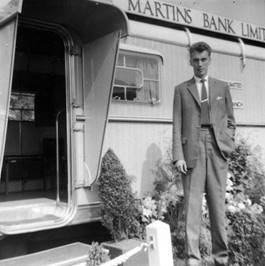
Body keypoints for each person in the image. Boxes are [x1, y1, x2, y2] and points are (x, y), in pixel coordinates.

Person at [172, 41, 236, 266]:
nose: (199, 64)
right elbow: (177, 123)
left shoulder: (221, 87)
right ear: (190, 61)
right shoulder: (181, 89)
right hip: (192, 148)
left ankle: (221, 258)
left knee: (218, 206)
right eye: (196, 60)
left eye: (203, 59)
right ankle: (193, 259)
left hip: (217, 149)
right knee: (192, 206)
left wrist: (227, 144)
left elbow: (230, 121)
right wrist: (178, 155)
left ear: (210, 59)